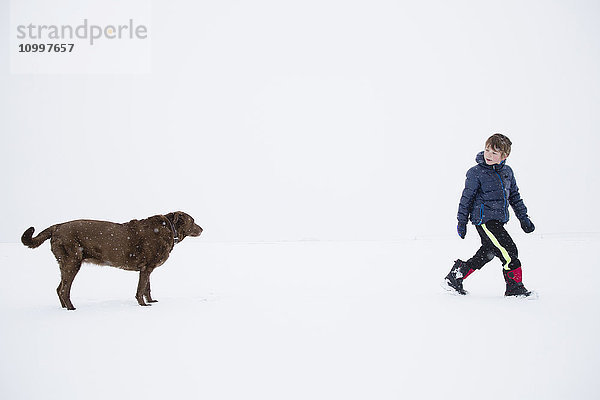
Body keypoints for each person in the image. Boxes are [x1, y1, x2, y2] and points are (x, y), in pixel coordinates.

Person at [443, 133, 536, 297]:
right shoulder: (476, 172)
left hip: (498, 220)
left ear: (504, 155)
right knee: (509, 252)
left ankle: (455, 277)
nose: (489, 155)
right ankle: (515, 288)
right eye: (487, 150)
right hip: (485, 220)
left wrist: (524, 219)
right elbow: (466, 198)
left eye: (494, 152)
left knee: (488, 252)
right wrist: (461, 222)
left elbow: (514, 196)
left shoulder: (507, 172)